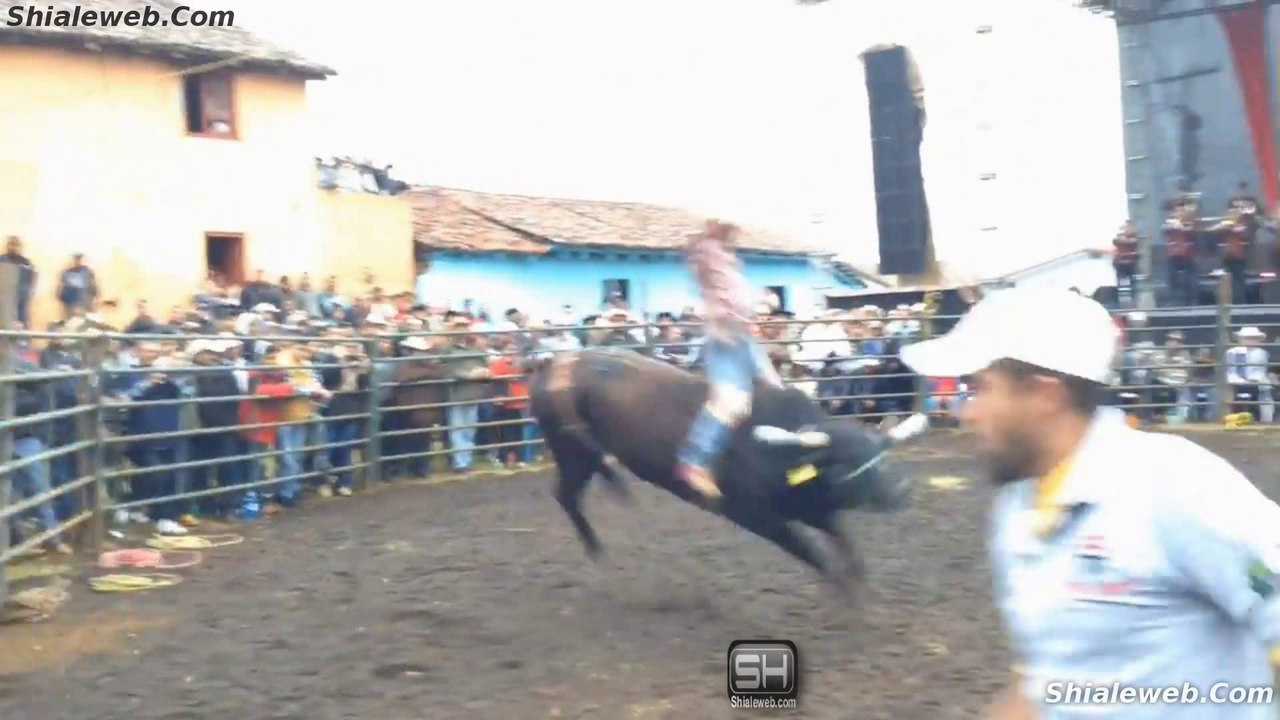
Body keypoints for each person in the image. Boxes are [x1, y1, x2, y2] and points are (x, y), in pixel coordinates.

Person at [899, 286, 1280, 719]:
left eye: (980, 388)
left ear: (1045, 395)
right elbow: (1049, 684)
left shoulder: (1174, 485)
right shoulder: (1021, 510)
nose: (966, 413)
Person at [674, 220, 790, 501]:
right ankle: (694, 460)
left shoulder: (723, 257)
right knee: (731, 402)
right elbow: (715, 289)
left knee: (776, 391)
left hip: (739, 336)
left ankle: (771, 455)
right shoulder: (711, 254)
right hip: (727, 336)